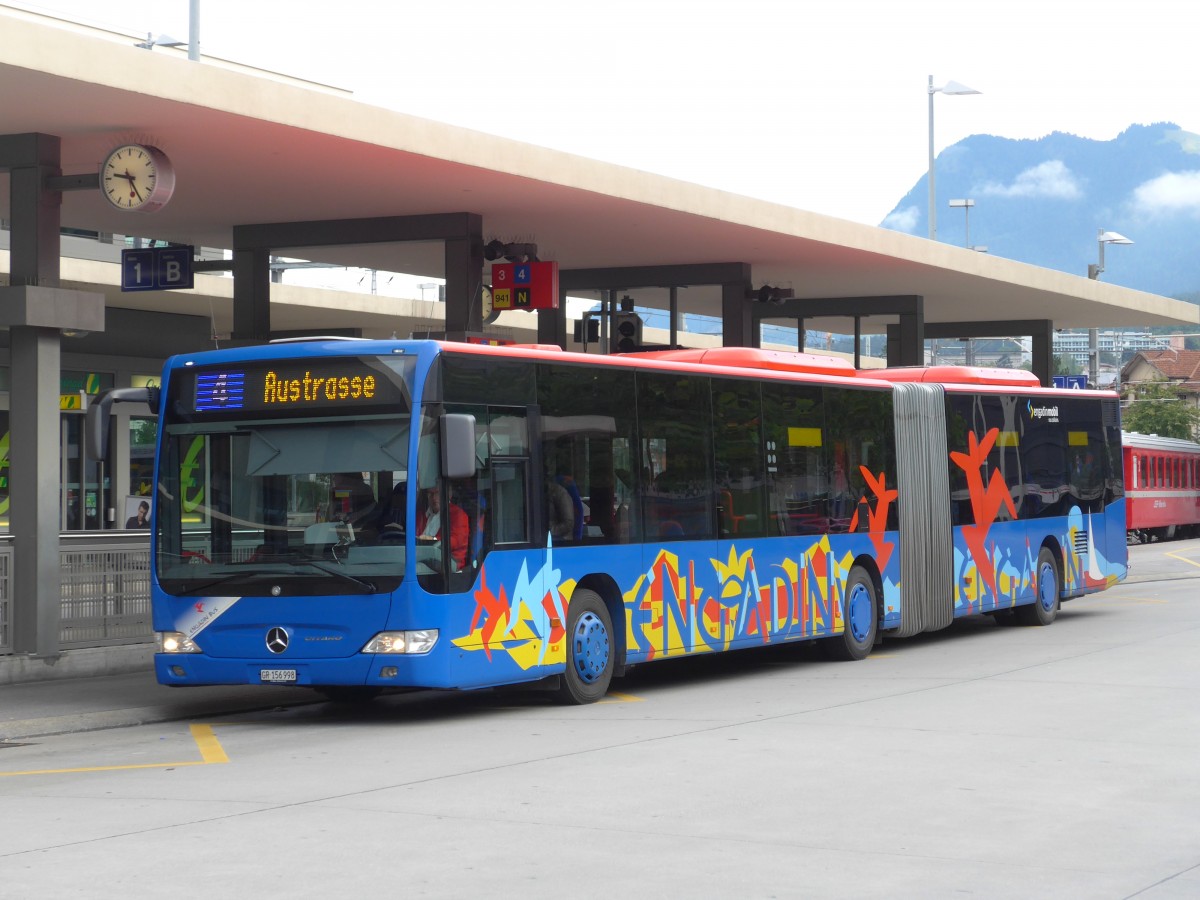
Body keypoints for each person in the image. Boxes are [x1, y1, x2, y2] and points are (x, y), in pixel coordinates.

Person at [415, 486, 469, 570]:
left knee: (416, 568)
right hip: (423, 556)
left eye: (437, 493)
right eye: (430, 494)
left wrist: (432, 539)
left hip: (448, 560)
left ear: (448, 494)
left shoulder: (458, 515)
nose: (434, 498)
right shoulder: (422, 515)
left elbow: (456, 541)